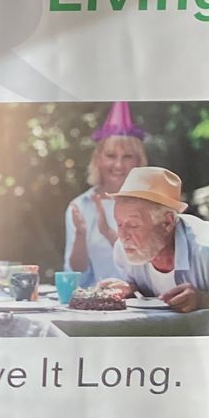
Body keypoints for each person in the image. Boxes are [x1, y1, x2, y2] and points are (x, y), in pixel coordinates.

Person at [103, 166, 209, 333]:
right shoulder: (123, 251)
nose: (123, 235)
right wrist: (130, 291)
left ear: (167, 222)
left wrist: (204, 300)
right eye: (119, 224)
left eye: (133, 225)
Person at [64, 101, 148, 287]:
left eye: (127, 157)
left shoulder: (149, 204)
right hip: (97, 299)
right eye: (111, 156)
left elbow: (149, 266)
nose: (118, 165)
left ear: (138, 161)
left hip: (140, 300)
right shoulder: (80, 206)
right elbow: (76, 273)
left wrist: (108, 233)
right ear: (98, 159)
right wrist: (81, 235)